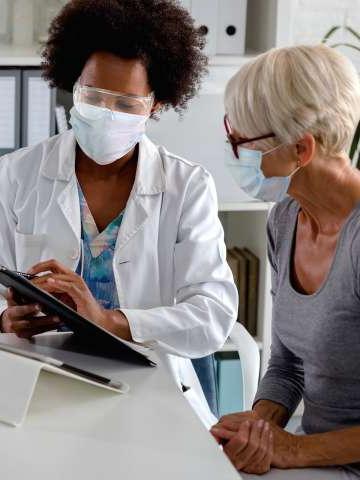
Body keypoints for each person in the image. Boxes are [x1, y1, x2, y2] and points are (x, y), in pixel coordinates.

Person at [0, 0, 238, 425]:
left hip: (152, 386)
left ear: (157, 104)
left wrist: (110, 320)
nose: (106, 116)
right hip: (39, 381)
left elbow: (212, 317)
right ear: (72, 85)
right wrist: (6, 317)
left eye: (127, 104)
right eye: (93, 96)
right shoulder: (17, 174)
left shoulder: (187, 187)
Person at [211, 44, 360, 478]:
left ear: (301, 149)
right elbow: (288, 363)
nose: (231, 150)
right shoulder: (286, 219)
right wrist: (260, 427)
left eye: (241, 141)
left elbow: (294, 448)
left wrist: (293, 450)